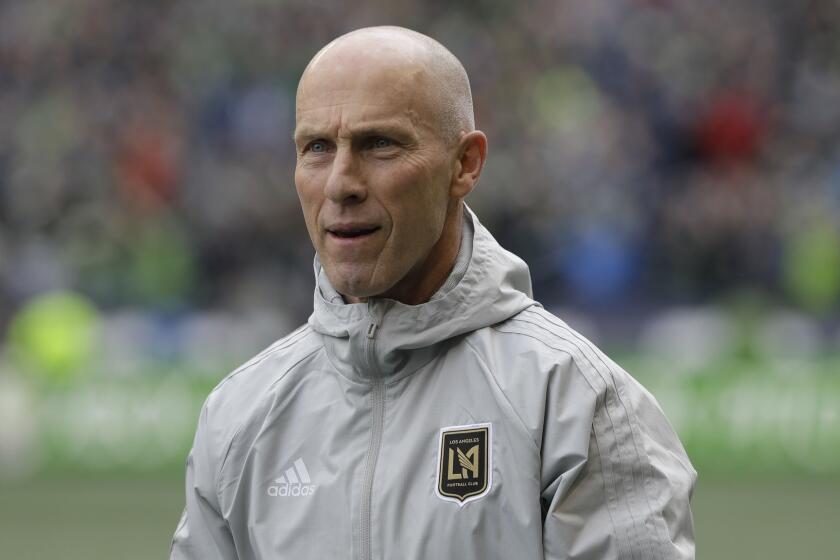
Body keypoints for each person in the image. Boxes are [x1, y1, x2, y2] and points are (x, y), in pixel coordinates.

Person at [170, 26, 696, 560]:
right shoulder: (238, 417)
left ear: (464, 164)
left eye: (379, 144)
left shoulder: (574, 402)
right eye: (317, 148)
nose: (340, 183)